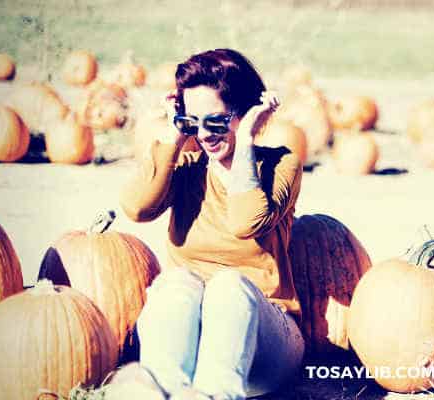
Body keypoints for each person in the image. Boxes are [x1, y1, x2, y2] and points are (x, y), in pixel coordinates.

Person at [119, 48, 305, 400]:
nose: (203, 134)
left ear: (247, 113)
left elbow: (244, 222)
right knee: (175, 285)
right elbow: (136, 208)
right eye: (193, 121)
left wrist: (247, 139)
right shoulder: (186, 167)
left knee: (229, 288)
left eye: (216, 121)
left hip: (266, 336)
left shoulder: (281, 165)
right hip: (192, 332)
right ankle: (162, 389)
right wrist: (175, 136)